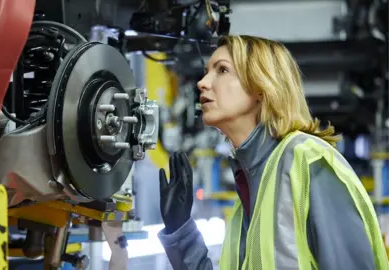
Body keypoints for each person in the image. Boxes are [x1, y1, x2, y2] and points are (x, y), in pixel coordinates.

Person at [157, 35, 388, 270]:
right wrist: (180, 231)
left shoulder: (308, 162)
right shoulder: (248, 196)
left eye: (222, 70)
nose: (203, 82)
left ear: (261, 87)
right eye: (207, 71)